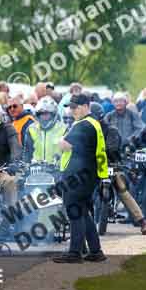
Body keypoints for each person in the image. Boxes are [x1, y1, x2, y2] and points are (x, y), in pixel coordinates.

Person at [53, 94, 107, 263]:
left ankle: (75, 253)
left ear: (85, 106)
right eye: (70, 107)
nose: (72, 111)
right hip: (88, 175)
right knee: (83, 211)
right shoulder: (93, 123)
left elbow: (65, 145)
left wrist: (60, 139)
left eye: (75, 107)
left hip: (79, 176)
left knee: (74, 211)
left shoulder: (83, 125)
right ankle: (96, 251)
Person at [91, 103, 146, 235]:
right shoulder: (87, 130)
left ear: (99, 117)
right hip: (91, 167)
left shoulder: (111, 130)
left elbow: (112, 149)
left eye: (92, 118)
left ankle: (143, 222)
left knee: (122, 190)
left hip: (111, 166)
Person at [28, 97, 65, 164]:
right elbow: (27, 152)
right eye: (41, 113)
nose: (44, 116)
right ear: (38, 115)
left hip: (57, 167)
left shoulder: (63, 128)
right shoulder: (31, 128)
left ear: (53, 114)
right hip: (36, 167)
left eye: (47, 113)